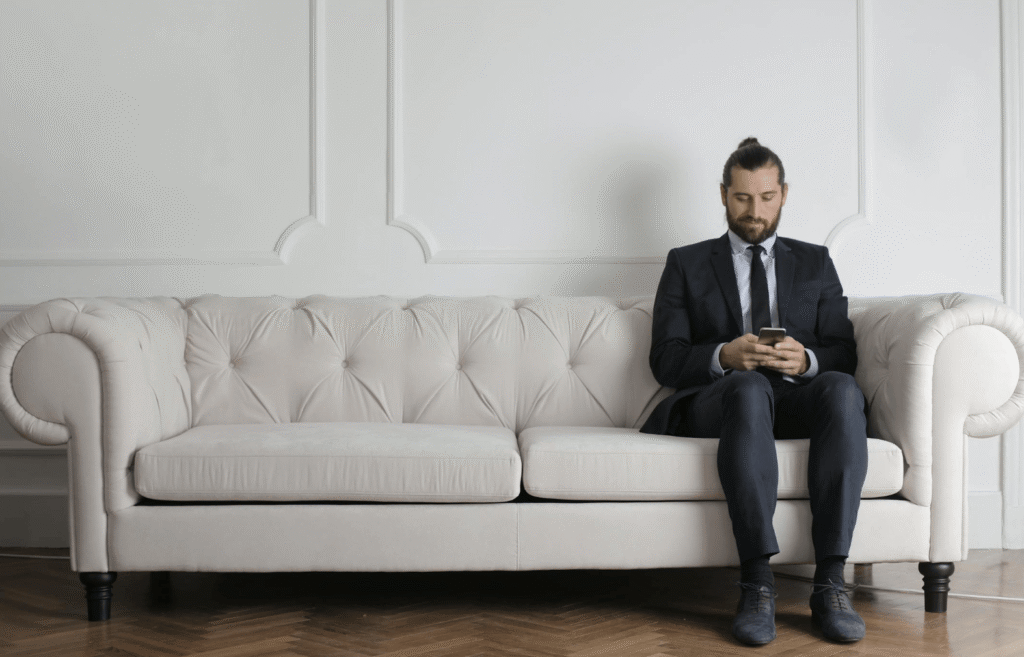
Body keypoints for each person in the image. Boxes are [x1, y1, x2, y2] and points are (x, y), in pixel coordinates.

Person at [639, 138, 868, 645]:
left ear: (783, 194)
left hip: (791, 398)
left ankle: (830, 581)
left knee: (842, 389)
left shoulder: (816, 263)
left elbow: (843, 351)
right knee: (745, 388)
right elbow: (665, 359)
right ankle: (757, 583)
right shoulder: (686, 263)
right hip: (722, 402)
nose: (754, 211)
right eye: (742, 198)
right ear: (723, 195)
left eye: (766, 197)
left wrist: (806, 360)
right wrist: (724, 355)